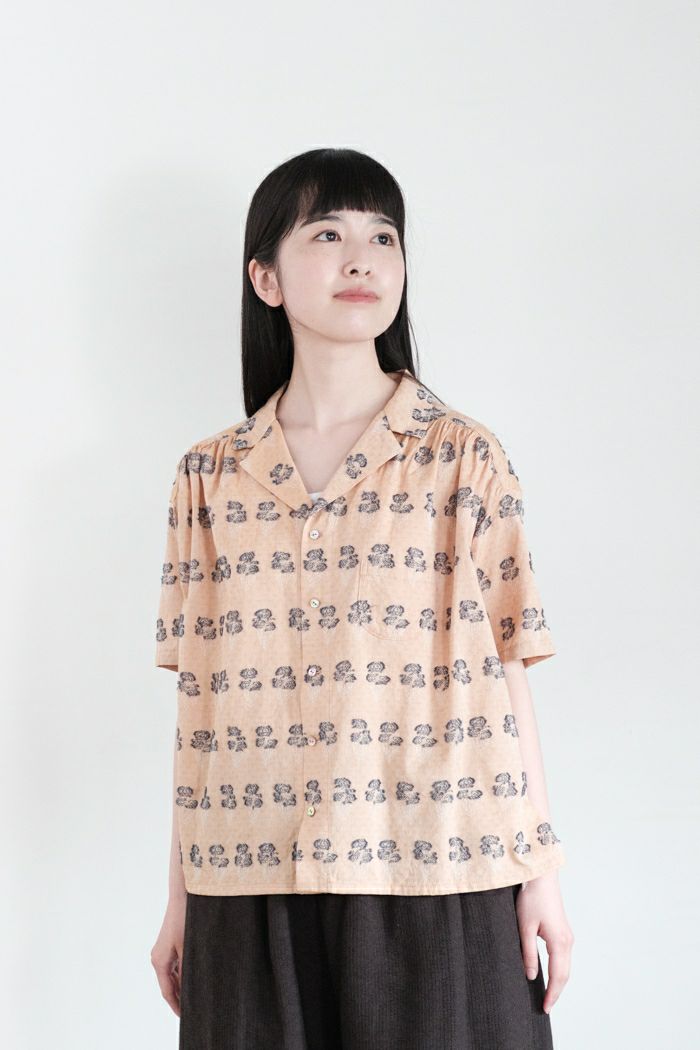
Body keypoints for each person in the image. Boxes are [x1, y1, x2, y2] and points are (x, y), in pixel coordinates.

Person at [150, 147, 574, 1050]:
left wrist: (541, 874)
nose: (363, 258)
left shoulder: (463, 457)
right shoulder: (207, 477)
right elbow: (200, 706)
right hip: (248, 872)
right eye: (328, 234)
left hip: (438, 858)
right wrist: (179, 896)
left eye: (384, 237)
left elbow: (508, 670)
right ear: (265, 279)